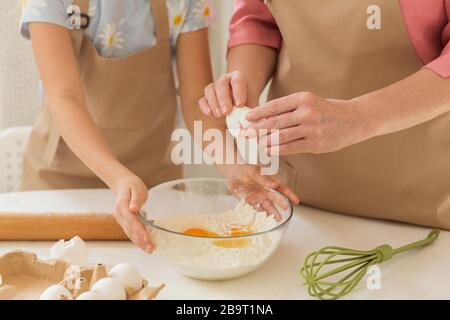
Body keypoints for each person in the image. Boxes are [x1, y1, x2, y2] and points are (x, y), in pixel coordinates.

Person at [20, 0, 298, 252]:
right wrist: (118, 178)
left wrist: (230, 164)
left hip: (153, 184)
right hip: (61, 183)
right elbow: (64, 98)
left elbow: (195, 98)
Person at [199, 0, 450, 229]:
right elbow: (257, 19)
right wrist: (243, 84)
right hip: (298, 205)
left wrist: (359, 117)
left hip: (426, 213)